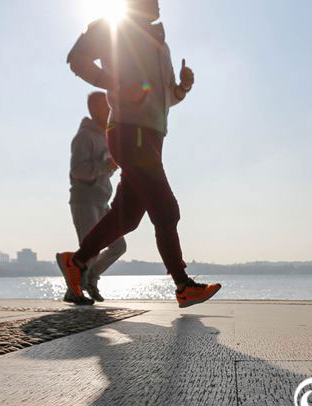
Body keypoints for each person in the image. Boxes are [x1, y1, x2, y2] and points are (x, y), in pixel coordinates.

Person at [57, 0, 221, 308]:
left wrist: (182, 88)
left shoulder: (161, 44)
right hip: (128, 131)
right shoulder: (112, 28)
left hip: (152, 136)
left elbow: (165, 98)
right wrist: (117, 85)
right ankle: (183, 285)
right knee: (166, 209)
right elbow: (77, 60)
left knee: (128, 218)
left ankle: (76, 262)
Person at [66, 92, 126, 304]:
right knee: (89, 250)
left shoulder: (105, 135)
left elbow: (104, 169)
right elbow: (77, 171)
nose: (110, 109)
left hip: (102, 201)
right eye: (106, 106)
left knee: (119, 246)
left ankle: (90, 279)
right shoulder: (84, 136)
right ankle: (74, 290)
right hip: (84, 200)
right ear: (94, 109)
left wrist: (110, 167)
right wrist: (106, 166)